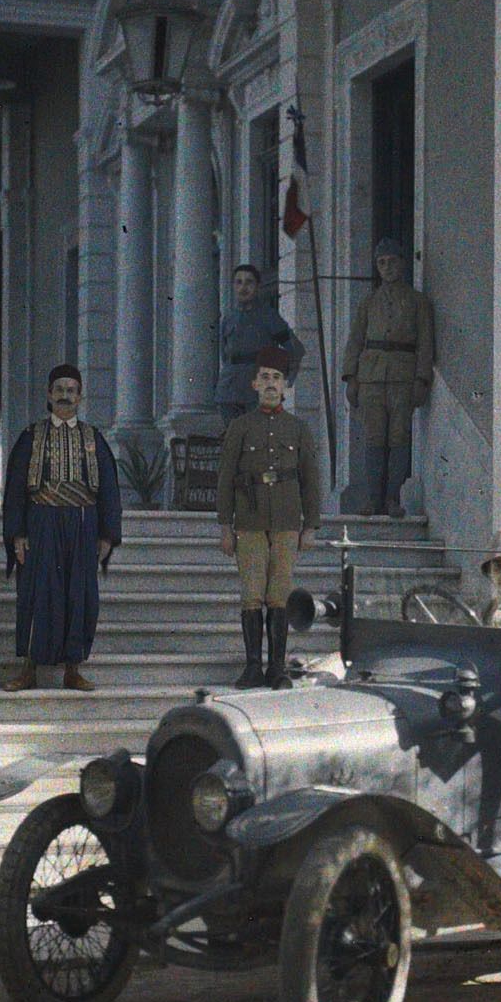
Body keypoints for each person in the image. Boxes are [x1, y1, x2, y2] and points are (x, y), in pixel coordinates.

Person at [1, 364, 122, 692]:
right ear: (49, 394)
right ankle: (29, 670)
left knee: (79, 595)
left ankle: (73, 670)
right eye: (59, 390)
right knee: (36, 594)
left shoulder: (93, 439)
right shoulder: (31, 437)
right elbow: (15, 489)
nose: (65, 396)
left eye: (71, 390)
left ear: (80, 397)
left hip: (83, 525)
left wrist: (107, 535)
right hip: (42, 523)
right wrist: (18, 534)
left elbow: (109, 489)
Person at [216, 344, 321, 689]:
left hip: (287, 521)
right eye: (265, 377)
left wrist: (310, 525)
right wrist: (225, 526)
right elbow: (226, 477)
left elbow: (310, 479)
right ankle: (252, 667)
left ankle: (276, 668)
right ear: (255, 384)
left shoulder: (298, 429)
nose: (271, 383)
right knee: (251, 595)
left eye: (277, 377)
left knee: (279, 595)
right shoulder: (240, 427)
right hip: (249, 521)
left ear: (285, 385)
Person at [341, 237, 434, 516]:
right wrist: (351, 377)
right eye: (381, 263)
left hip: (403, 378)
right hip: (370, 378)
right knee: (374, 437)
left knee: (398, 438)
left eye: (392, 261)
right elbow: (355, 340)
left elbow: (425, 343)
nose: (387, 267)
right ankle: (373, 499)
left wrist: (422, 379)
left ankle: (392, 498)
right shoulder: (368, 302)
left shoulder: (417, 302)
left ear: (403, 264)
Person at [215, 262, 305, 424]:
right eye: (239, 282)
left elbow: (295, 349)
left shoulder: (269, 316)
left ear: (258, 287)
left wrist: (285, 379)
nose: (243, 288)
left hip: (257, 388)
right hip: (229, 389)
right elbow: (224, 354)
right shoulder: (228, 318)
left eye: (249, 282)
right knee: (232, 435)